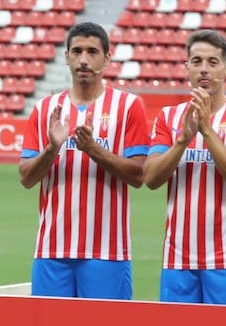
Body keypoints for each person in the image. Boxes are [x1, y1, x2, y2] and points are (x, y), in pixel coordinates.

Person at [18, 21, 149, 300]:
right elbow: (27, 177)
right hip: (52, 250)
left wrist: (93, 150)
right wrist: (52, 148)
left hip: (107, 251)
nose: (84, 59)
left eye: (92, 51)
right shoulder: (45, 109)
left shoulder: (127, 106)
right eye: (77, 52)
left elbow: (139, 175)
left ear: (107, 58)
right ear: (66, 57)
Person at [142, 30, 226, 305]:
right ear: (187, 66)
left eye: (213, 62)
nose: (204, 69)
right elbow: (150, 178)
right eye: (197, 61)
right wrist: (182, 141)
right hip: (177, 260)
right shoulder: (169, 116)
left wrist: (207, 130)